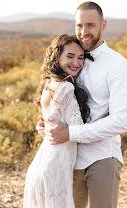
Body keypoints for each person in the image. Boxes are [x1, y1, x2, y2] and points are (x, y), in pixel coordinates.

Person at [37, 1, 127, 208]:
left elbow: (120, 121)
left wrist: (69, 133)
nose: (84, 31)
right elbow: (58, 99)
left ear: (103, 25)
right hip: (69, 159)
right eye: (79, 26)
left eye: (90, 25)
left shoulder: (117, 65)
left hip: (102, 157)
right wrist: (47, 122)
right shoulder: (71, 58)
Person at [23, 34, 91, 208]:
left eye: (81, 57)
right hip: (56, 167)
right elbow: (80, 131)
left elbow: (48, 121)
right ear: (57, 57)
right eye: (70, 56)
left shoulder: (47, 83)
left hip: (41, 163)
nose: (76, 62)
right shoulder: (66, 87)